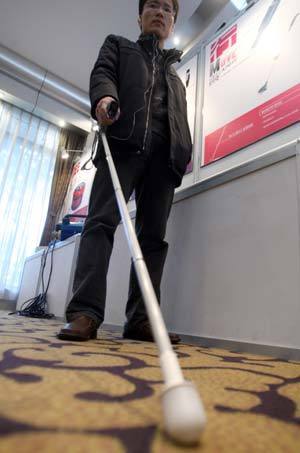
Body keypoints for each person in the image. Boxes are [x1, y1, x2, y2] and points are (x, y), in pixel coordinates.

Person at [58, 0, 192, 344]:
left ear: (173, 23)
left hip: (164, 160)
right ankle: (85, 312)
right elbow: (103, 74)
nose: (160, 12)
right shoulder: (119, 45)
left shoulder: (177, 79)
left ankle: (142, 319)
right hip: (122, 143)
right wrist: (104, 98)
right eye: (153, 5)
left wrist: (182, 154)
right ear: (140, 16)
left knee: (153, 240)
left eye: (167, 8)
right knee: (100, 224)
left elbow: (179, 121)